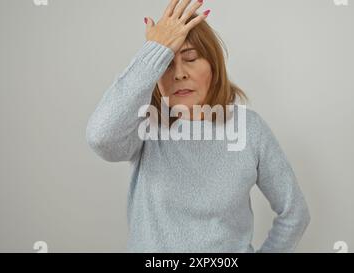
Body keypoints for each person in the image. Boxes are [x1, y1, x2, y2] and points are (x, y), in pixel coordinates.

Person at [86, 0, 310, 253]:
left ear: (213, 67)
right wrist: (154, 50)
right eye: (166, 63)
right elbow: (100, 137)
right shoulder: (145, 125)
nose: (179, 73)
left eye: (191, 58)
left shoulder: (249, 128)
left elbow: (295, 213)